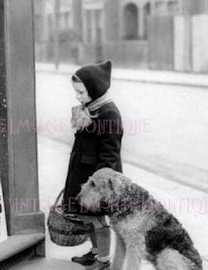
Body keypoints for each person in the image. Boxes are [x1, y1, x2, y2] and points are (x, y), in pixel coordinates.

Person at [62, 60, 123, 270]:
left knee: (97, 219)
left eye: (81, 92)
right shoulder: (89, 108)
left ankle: (104, 260)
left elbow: (110, 153)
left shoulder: (109, 113)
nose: (77, 97)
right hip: (82, 172)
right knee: (85, 217)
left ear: (94, 89)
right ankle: (95, 252)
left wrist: (97, 185)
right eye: (76, 93)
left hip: (97, 179)